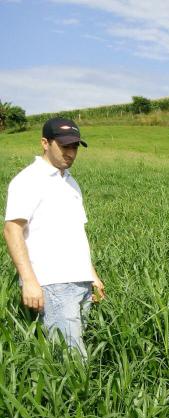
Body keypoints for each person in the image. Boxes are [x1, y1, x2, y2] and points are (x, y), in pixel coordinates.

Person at [4, 117, 105, 358]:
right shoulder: (28, 180)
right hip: (53, 283)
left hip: (80, 282)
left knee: (80, 351)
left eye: (75, 147)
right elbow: (12, 230)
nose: (70, 153)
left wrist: (92, 276)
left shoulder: (71, 183)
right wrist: (28, 281)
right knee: (72, 362)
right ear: (45, 143)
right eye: (64, 146)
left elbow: (76, 234)